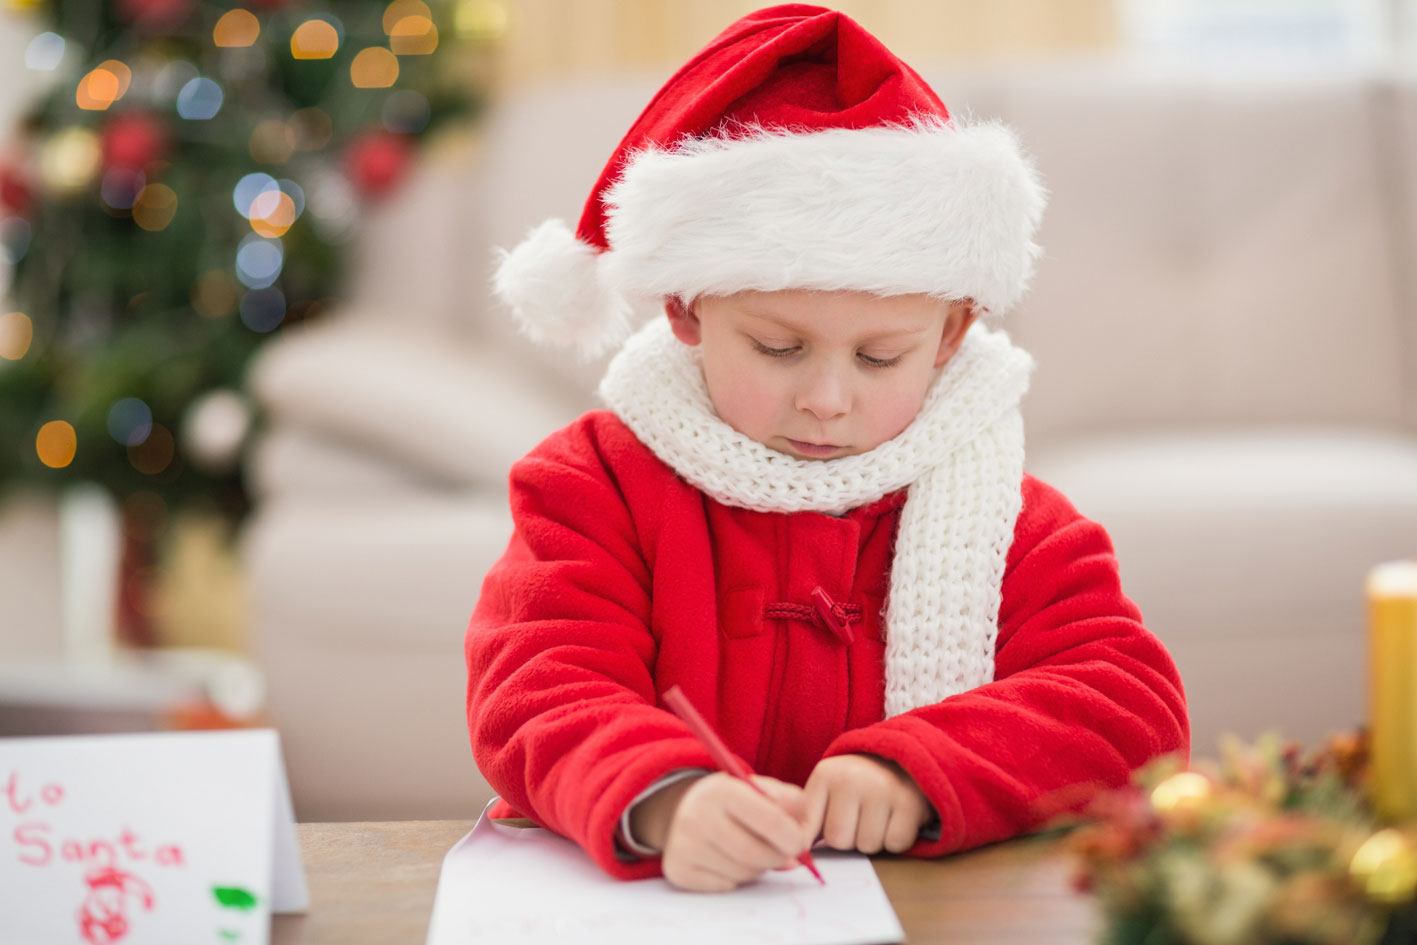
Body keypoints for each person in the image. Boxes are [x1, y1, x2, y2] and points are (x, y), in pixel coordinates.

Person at [466, 4, 1188, 893]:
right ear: (686, 307)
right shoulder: (593, 485)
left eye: (880, 356)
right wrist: (664, 795)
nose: (826, 398)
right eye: (777, 348)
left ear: (952, 334)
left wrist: (921, 768)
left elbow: (1132, 705)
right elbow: (536, 683)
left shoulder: (1006, 516)